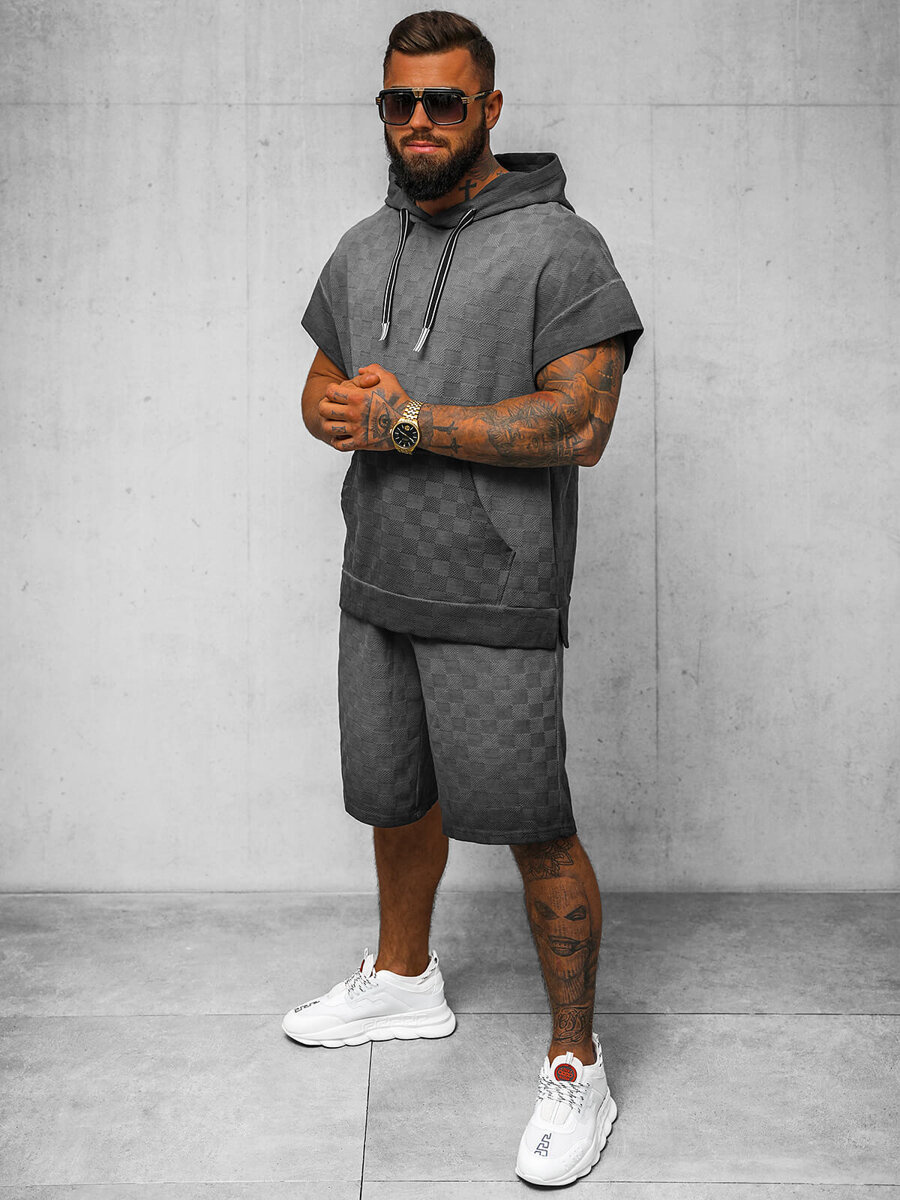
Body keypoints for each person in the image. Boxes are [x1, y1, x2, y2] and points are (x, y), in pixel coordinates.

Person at [283, 10, 644, 1187]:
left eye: (445, 101)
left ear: (489, 108)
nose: (422, 121)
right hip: (378, 576)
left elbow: (582, 424)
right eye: (402, 102)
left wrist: (411, 422)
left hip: (496, 588)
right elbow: (322, 386)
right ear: (383, 111)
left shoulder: (561, 247)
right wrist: (333, 409)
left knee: (533, 825)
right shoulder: (362, 244)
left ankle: (577, 1064)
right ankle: (404, 981)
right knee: (396, 797)